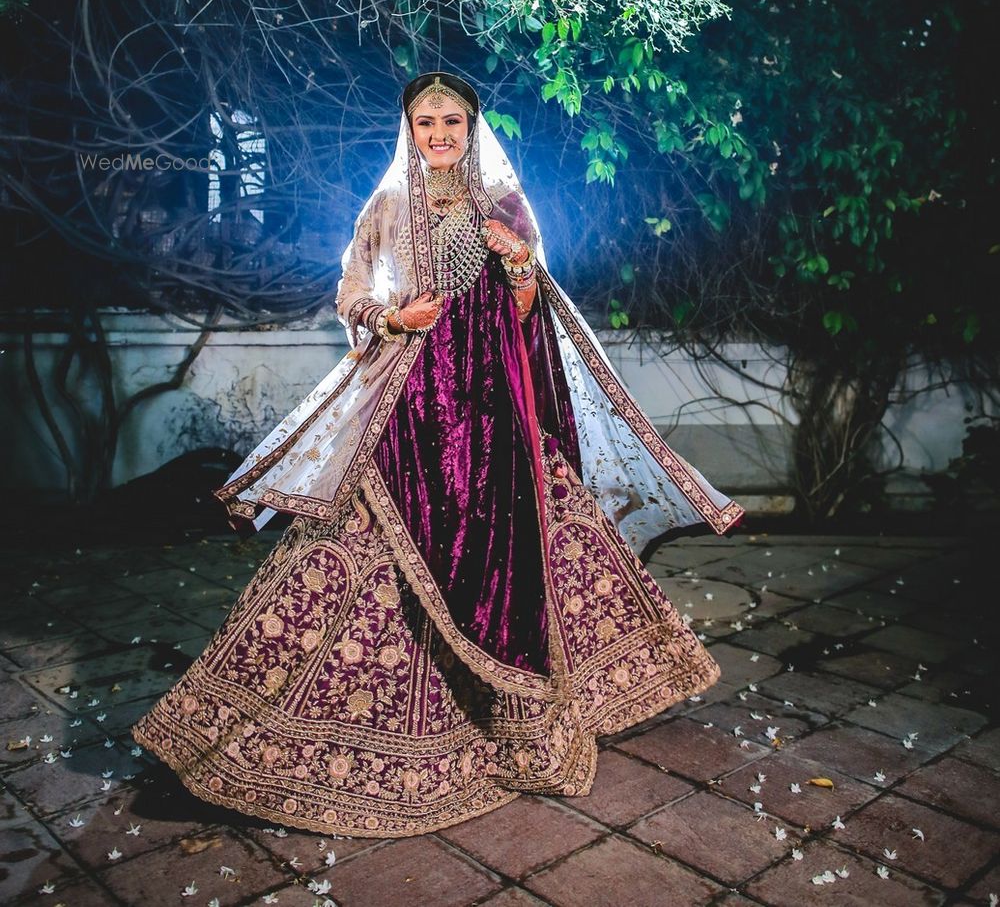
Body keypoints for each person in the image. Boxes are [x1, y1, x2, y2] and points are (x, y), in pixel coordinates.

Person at [131, 71, 744, 837]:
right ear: (410, 130)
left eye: (452, 121)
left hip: (493, 409)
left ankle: (513, 723)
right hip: (413, 403)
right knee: (351, 551)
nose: (440, 134)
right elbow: (349, 288)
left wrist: (519, 263)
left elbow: (529, 307)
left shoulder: (505, 204)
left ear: (473, 126)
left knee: (520, 548)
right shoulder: (388, 205)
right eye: (426, 123)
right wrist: (390, 315)